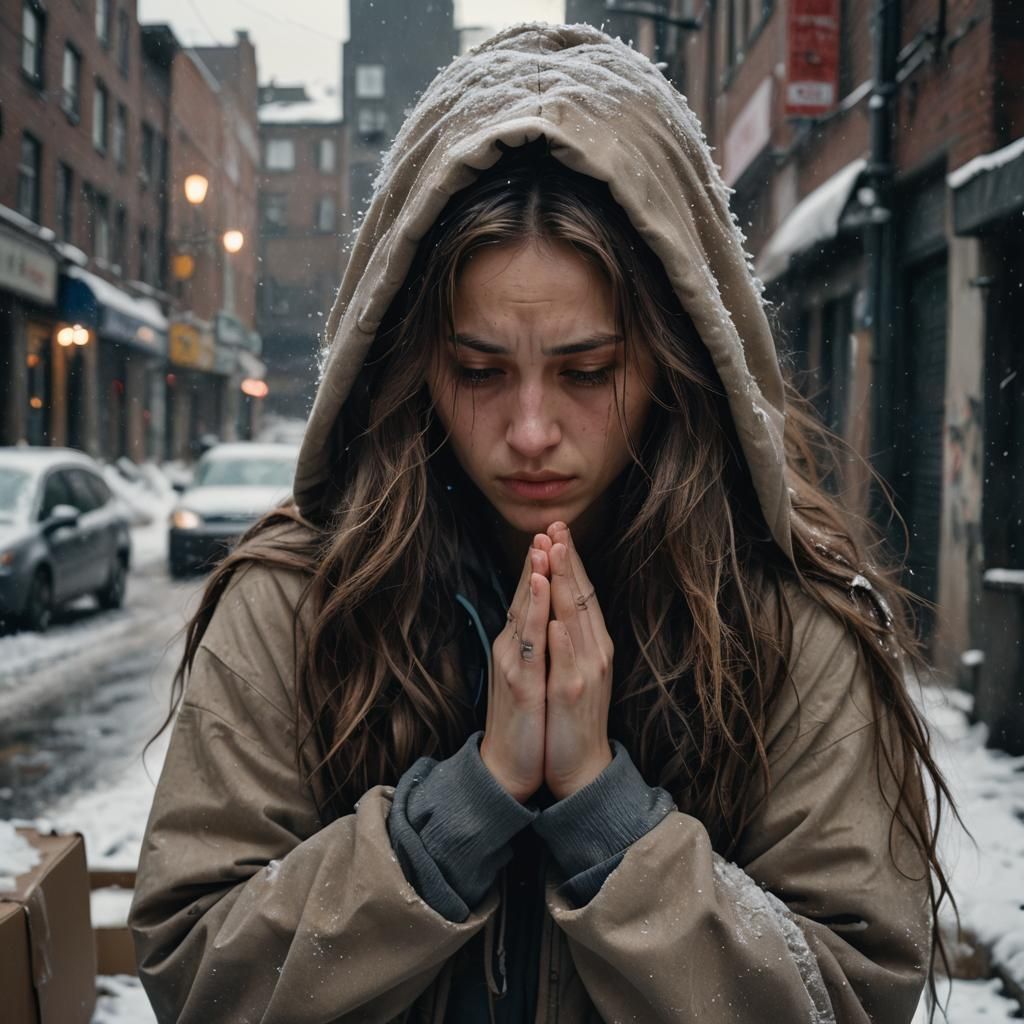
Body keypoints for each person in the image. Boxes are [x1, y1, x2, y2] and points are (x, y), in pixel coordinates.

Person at [130, 23, 954, 1023]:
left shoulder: (791, 628)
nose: (529, 432)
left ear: (671, 359)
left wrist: (605, 814)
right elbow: (197, 972)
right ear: (412, 361)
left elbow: (850, 996)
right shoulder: (292, 608)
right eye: (479, 370)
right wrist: (460, 812)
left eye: (585, 371)